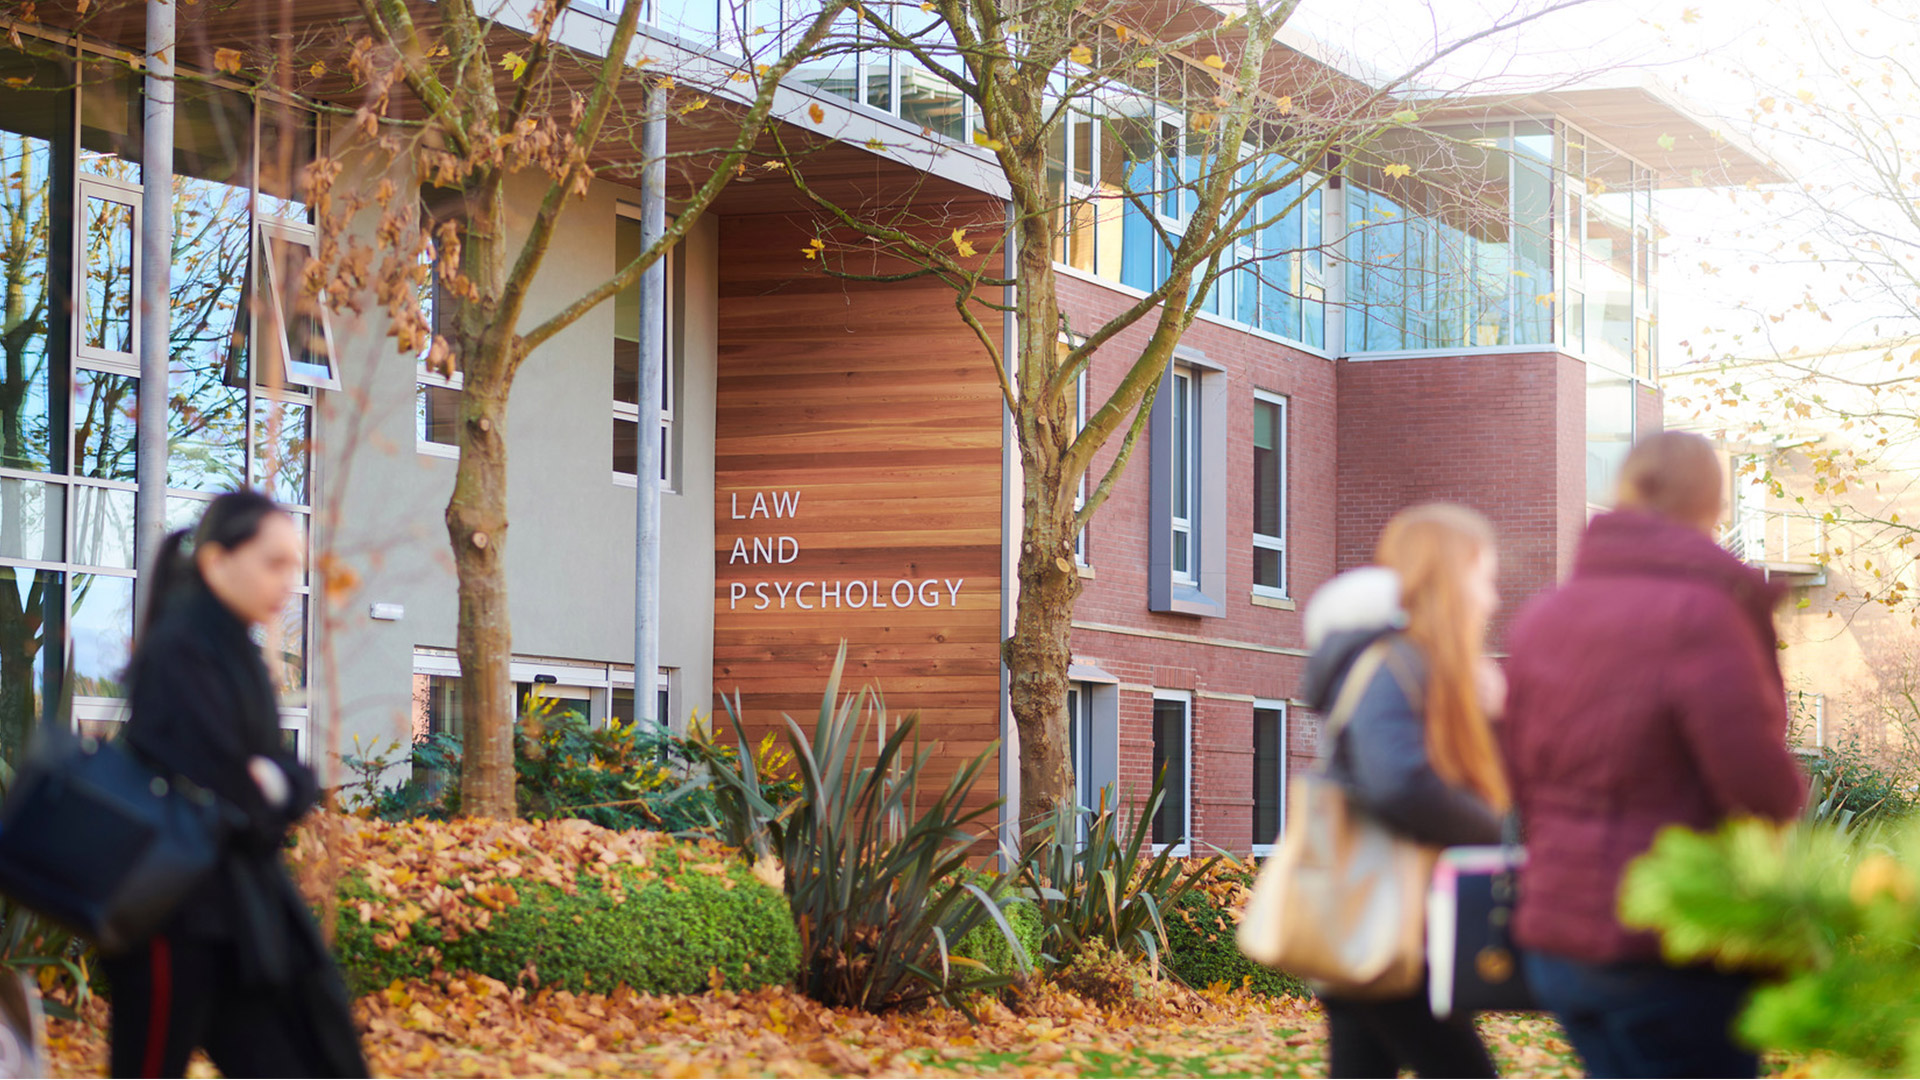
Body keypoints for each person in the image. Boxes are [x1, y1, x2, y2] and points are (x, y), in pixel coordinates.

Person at [1502, 431, 1806, 1079]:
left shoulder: (1542, 617)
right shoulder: (1704, 614)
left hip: (1560, 942)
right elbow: (1758, 786)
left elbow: (1515, 776)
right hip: (1668, 936)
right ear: (1711, 505)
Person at [100, 490, 367, 1077]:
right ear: (218, 561)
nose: (288, 582)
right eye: (273, 563)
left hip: (238, 916)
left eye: (293, 566)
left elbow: (281, 778)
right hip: (174, 920)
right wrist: (271, 784)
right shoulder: (181, 649)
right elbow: (233, 786)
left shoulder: (234, 650)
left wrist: (273, 782)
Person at [1304, 503, 1508, 1078]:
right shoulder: (1399, 662)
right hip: (1386, 918)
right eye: (1484, 579)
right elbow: (1398, 781)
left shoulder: (1407, 664)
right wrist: (1491, 826)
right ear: (1447, 578)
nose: (1491, 598)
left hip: (1362, 915)